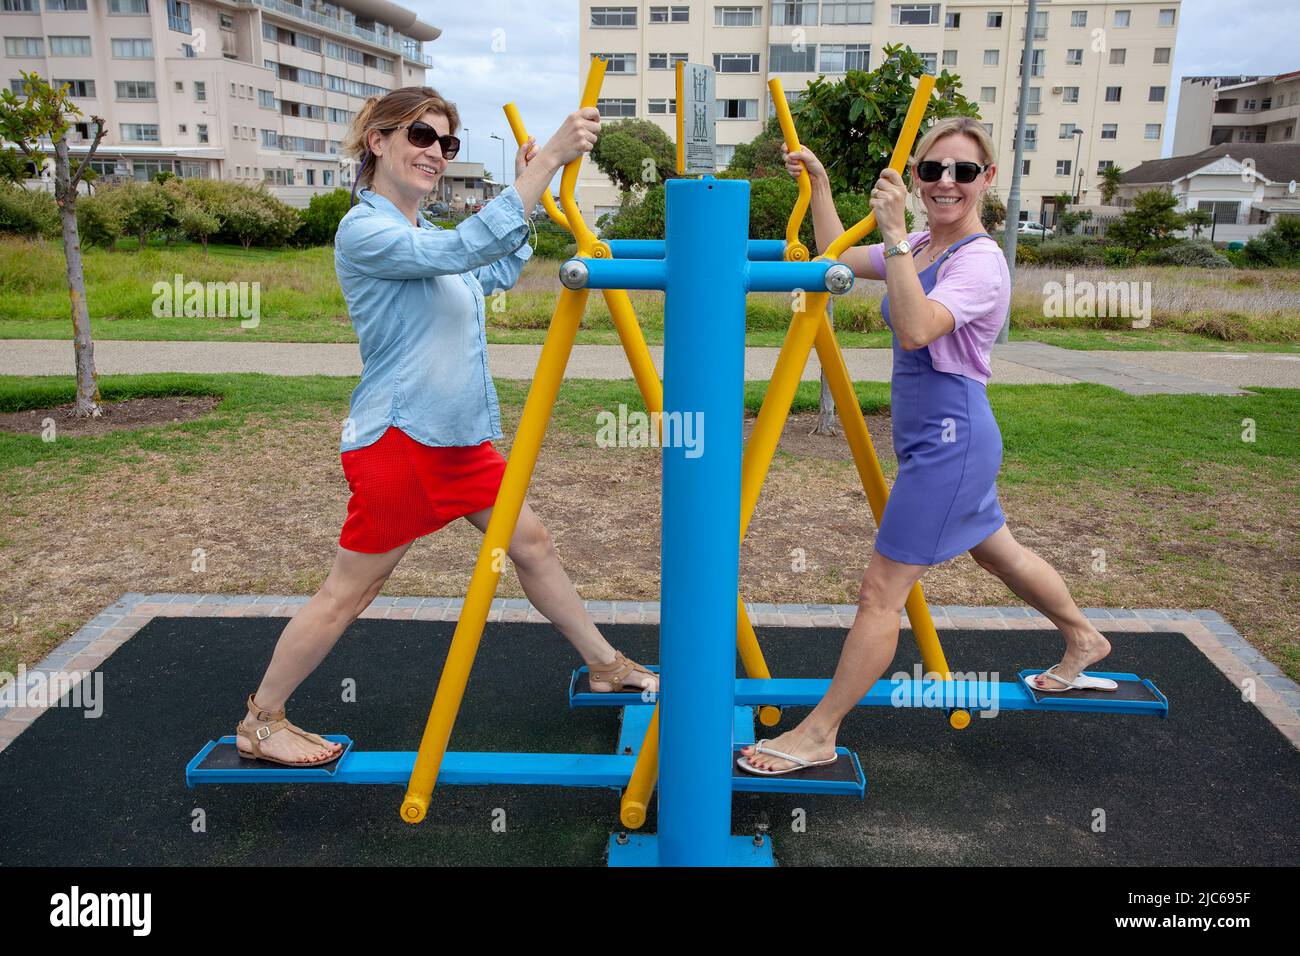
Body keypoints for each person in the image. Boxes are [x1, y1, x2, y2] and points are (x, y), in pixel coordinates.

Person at [234, 86, 657, 768]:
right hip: (403, 442)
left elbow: (490, 266)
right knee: (352, 590)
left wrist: (537, 193)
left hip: (458, 441)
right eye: (421, 137)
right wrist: (545, 158)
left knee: (534, 544)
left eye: (446, 143)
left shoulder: (427, 237)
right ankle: (260, 720)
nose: (435, 152)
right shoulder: (365, 231)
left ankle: (605, 662)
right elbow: (466, 247)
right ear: (379, 142)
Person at [739, 117, 1115, 776]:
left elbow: (916, 329)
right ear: (916, 177)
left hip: (953, 446)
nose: (946, 183)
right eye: (933, 170)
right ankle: (1084, 637)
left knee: (880, 594)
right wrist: (823, 187)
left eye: (963, 172)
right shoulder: (919, 244)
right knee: (999, 552)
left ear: (987, 181)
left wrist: (894, 238)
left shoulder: (980, 263)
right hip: (935, 443)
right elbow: (837, 258)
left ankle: (820, 731)